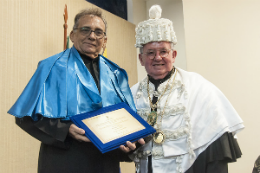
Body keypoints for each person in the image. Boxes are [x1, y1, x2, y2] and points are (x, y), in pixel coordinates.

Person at [8, 8, 141, 173]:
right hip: (65, 161)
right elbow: (25, 118)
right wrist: (65, 130)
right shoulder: (50, 67)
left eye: (98, 32)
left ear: (104, 40)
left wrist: (128, 144)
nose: (92, 36)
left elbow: (125, 122)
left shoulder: (116, 74)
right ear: (72, 35)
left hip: (106, 164)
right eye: (85, 30)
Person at [129, 5, 244, 173]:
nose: (157, 58)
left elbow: (215, 138)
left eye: (163, 51)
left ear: (173, 55)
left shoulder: (198, 87)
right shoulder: (132, 93)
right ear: (141, 58)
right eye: (150, 53)